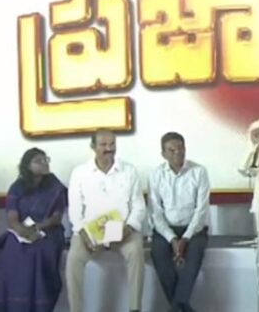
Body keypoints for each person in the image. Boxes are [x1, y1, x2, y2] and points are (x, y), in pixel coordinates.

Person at [66, 129, 146, 312]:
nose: (109, 148)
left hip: (123, 230)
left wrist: (127, 229)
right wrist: (84, 235)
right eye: (103, 144)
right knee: (73, 259)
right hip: (90, 232)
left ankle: (135, 308)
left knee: (136, 251)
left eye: (112, 144)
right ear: (93, 147)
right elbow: (75, 210)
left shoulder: (129, 171)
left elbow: (139, 206)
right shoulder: (80, 173)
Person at [0, 148, 68, 312]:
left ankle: (40, 306)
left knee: (38, 252)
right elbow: (12, 218)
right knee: (11, 251)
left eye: (46, 159)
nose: (44, 163)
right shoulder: (17, 187)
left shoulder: (55, 186)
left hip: (49, 230)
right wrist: (23, 231)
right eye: (38, 161)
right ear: (27, 165)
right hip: (21, 231)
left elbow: (56, 218)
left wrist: (38, 228)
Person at [148, 132, 210, 312]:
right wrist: (172, 239)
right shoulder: (156, 175)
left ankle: (176, 307)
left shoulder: (199, 172)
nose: (177, 153)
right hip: (165, 229)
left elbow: (201, 210)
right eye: (172, 150)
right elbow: (156, 212)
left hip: (194, 228)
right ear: (163, 154)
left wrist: (186, 238)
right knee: (158, 254)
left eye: (180, 148)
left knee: (194, 256)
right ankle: (183, 306)